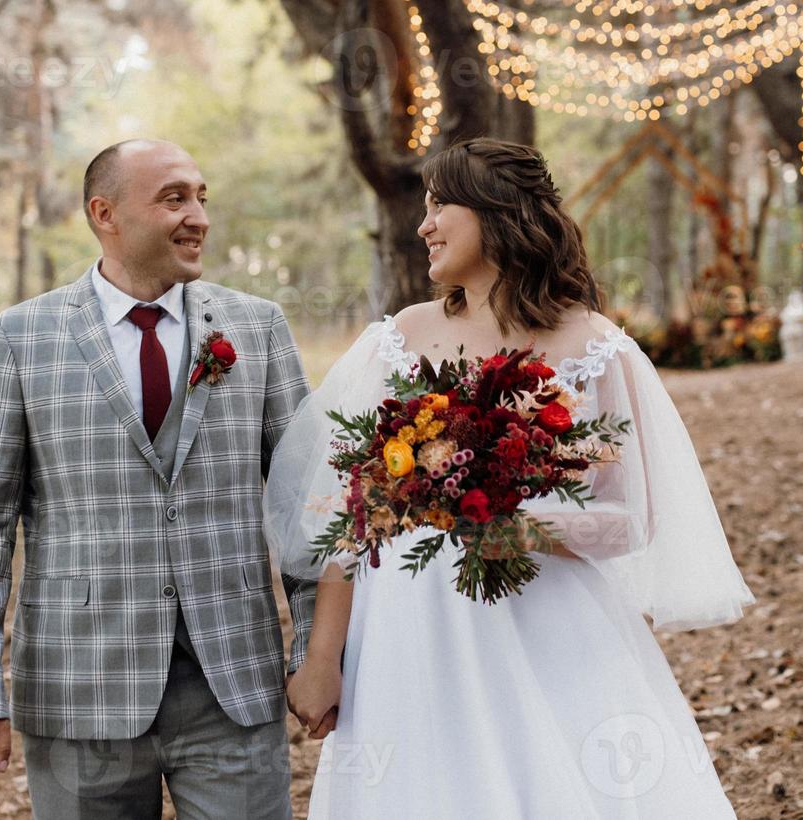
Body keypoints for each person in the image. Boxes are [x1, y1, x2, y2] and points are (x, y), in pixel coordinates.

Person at [266, 137, 756, 818]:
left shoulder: (593, 345)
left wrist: (511, 523)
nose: (423, 226)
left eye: (441, 206)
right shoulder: (401, 337)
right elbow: (353, 516)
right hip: (409, 626)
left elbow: (628, 518)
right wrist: (321, 659)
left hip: (546, 623)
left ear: (497, 213)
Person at [0, 138, 314, 818]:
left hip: (230, 684)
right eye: (174, 198)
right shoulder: (19, 339)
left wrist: (317, 652)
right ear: (105, 213)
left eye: (202, 197)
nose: (197, 215)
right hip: (77, 690)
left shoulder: (257, 329)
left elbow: (308, 509)